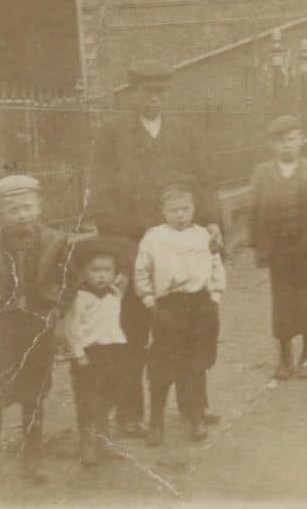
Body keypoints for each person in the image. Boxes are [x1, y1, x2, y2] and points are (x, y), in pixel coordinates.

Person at [88, 59, 224, 437]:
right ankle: (130, 411)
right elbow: (100, 196)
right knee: (134, 331)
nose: (154, 99)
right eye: (146, 92)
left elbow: (206, 182)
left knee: (187, 328)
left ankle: (193, 406)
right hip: (134, 250)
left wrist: (212, 221)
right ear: (133, 95)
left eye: (160, 92)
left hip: (182, 251)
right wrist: (122, 247)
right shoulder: (113, 135)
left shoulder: (185, 132)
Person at [0, 175, 76, 484]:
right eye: (14, 209)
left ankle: (32, 457)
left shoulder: (57, 240)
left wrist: (57, 311)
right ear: (0, 212)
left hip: (36, 324)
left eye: (28, 207)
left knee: (35, 390)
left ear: (40, 206)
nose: (23, 214)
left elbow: (70, 281)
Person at [135, 176, 225, 446]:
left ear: (194, 208)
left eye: (186, 209)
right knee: (163, 365)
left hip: (200, 304)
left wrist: (216, 293)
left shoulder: (202, 235)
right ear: (163, 211)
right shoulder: (154, 238)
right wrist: (150, 301)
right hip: (169, 307)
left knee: (196, 363)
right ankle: (156, 423)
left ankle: (196, 417)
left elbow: (215, 263)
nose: (181, 215)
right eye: (174, 210)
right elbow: (142, 271)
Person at [250, 116, 307, 380]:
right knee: (283, 302)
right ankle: (285, 355)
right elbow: (254, 212)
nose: (287, 146)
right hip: (278, 250)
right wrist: (258, 246)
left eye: (291, 140)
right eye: (281, 142)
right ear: (272, 145)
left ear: (301, 141)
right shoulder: (262, 173)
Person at [63, 239, 128, 466]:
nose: (101, 275)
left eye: (107, 270)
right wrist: (78, 353)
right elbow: (72, 328)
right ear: (83, 273)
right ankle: (87, 444)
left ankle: (104, 441)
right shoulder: (80, 298)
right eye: (95, 270)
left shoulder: (113, 294)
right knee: (88, 399)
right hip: (89, 356)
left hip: (112, 352)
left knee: (108, 396)